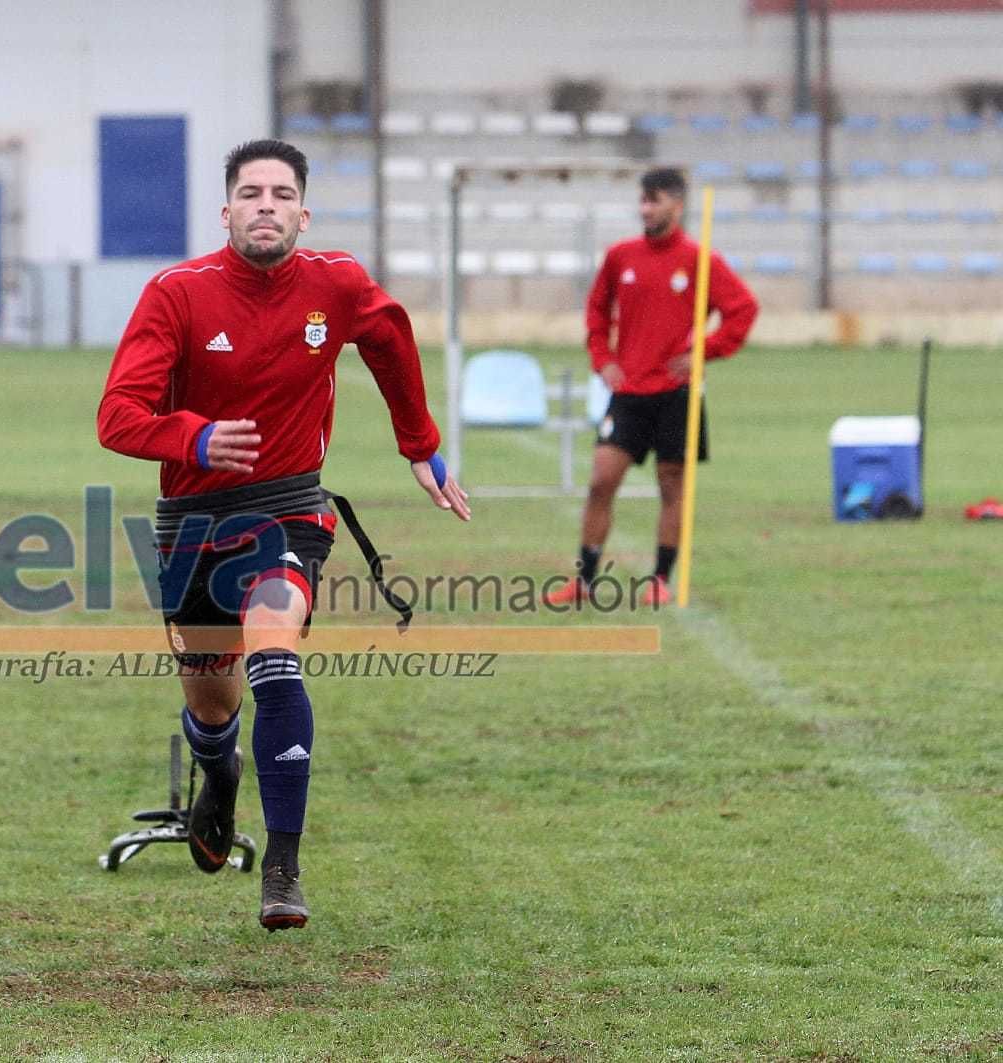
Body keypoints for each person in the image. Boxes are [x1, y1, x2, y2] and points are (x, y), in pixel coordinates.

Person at [97, 139, 471, 931]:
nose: (265, 205)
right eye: (250, 192)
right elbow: (116, 416)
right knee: (209, 692)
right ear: (226, 210)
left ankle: (283, 865)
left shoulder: (334, 284)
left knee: (274, 648)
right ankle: (220, 779)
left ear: (303, 211)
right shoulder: (176, 294)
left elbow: (391, 337)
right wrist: (195, 440)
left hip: (291, 509)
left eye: (280, 193)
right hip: (192, 522)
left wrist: (422, 443)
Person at [545, 167, 758, 608]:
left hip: (678, 394)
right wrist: (603, 360)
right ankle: (584, 580)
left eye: (654, 201)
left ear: (676, 206)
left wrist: (706, 350)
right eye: (642, 200)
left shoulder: (700, 261)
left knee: (671, 486)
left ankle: (661, 579)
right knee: (601, 480)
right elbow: (596, 311)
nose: (645, 209)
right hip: (629, 394)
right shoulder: (621, 256)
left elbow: (743, 309)